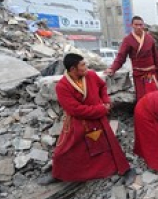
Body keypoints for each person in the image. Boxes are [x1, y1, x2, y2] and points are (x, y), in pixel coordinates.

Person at [43, 53, 131, 184]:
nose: (86, 67)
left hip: (98, 120)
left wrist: (106, 101)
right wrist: (101, 109)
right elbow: (75, 110)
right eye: (83, 65)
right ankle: (59, 174)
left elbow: (102, 87)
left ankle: (123, 170)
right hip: (78, 122)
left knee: (110, 146)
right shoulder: (62, 86)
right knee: (64, 151)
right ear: (73, 69)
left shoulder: (91, 75)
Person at [105, 16, 158, 102]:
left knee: (154, 96)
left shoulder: (149, 38)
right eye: (136, 25)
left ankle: (155, 114)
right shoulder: (127, 40)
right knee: (143, 98)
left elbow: (156, 57)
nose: (139, 27)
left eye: (141, 25)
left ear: (143, 25)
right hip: (139, 75)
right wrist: (112, 68)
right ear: (132, 25)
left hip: (151, 73)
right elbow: (121, 56)